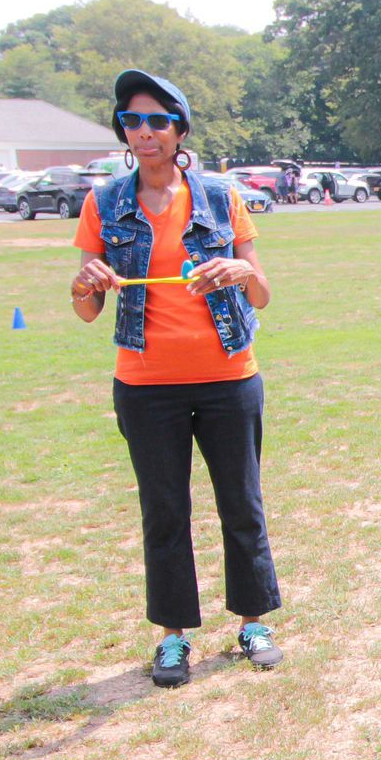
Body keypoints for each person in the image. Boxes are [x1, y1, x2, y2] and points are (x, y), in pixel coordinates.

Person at [69, 69, 284, 688]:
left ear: (180, 129)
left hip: (228, 378)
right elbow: (87, 307)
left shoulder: (219, 196)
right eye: (132, 121)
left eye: (157, 120)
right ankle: (172, 638)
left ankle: (252, 622)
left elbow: (264, 293)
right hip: (145, 384)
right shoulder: (105, 202)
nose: (144, 132)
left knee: (241, 504)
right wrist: (86, 285)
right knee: (164, 512)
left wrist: (236, 272)